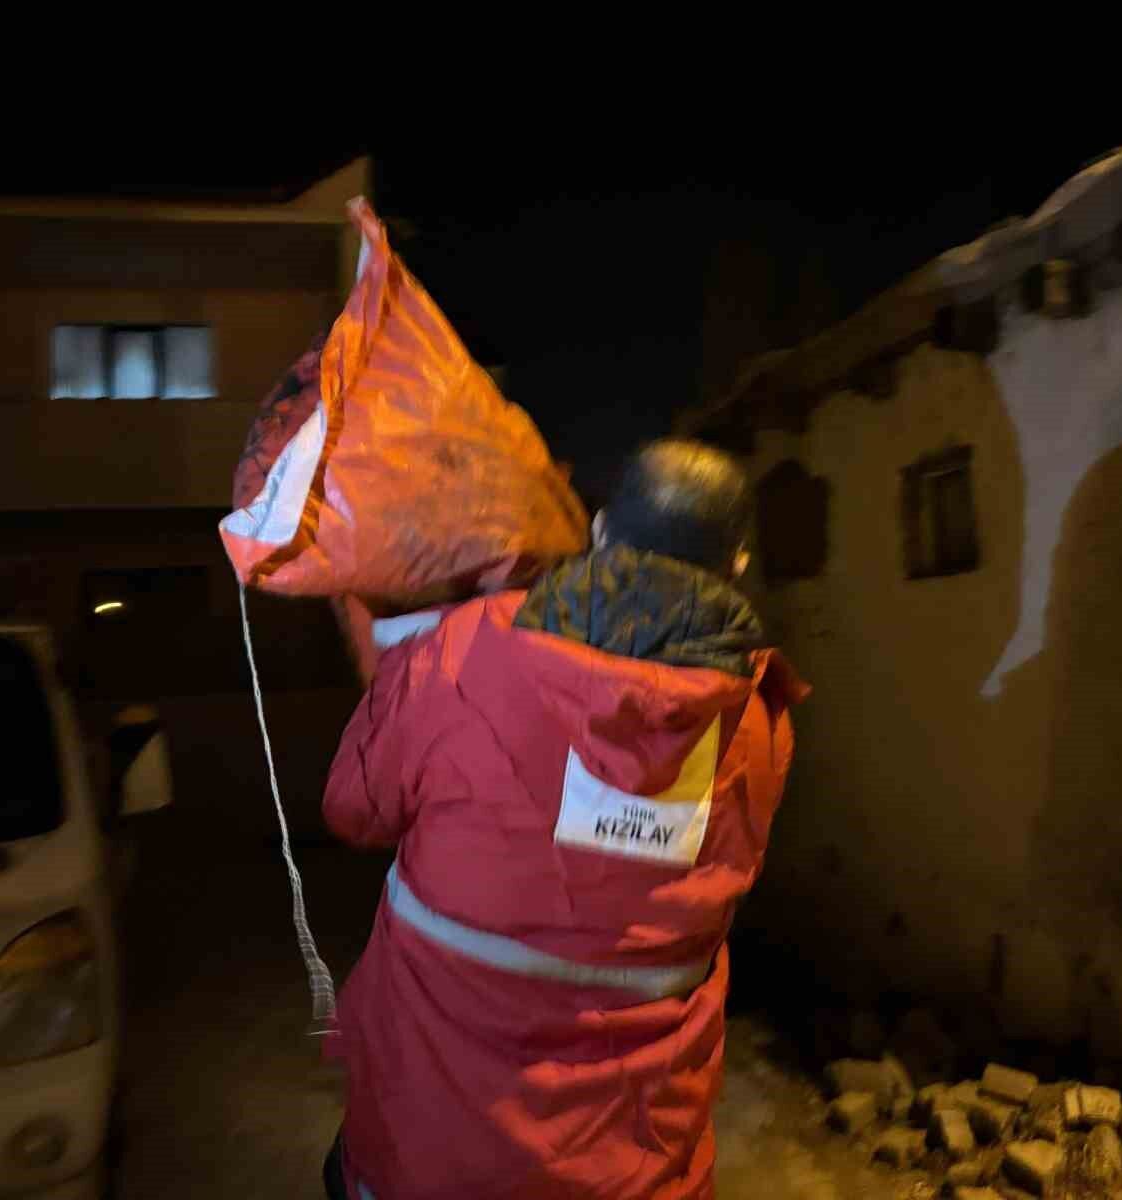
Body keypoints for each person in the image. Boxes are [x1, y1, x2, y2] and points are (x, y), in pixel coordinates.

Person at [321, 439, 807, 1199]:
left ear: (604, 531)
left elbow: (354, 810)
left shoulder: (460, 652)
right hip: (639, 1162)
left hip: (431, 1144)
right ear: (739, 563)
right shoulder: (759, 722)